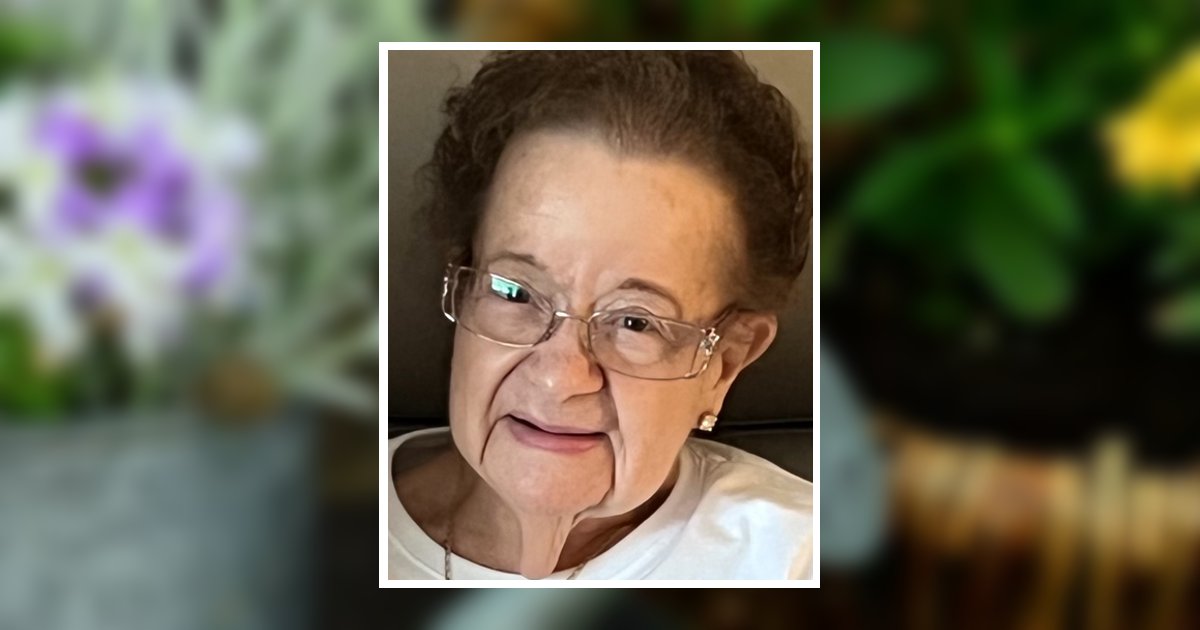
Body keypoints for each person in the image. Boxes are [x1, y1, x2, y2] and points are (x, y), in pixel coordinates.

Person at [388, 50, 813, 580]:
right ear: (465, 287)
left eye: (635, 321)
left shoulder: (797, 557)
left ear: (723, 363)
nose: (558, 377)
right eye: (516, 292)